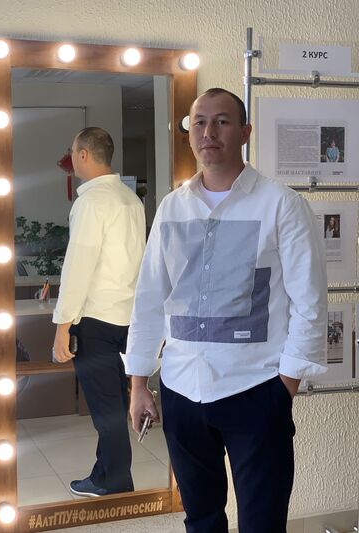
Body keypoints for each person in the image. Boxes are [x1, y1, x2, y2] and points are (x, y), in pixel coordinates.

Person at [125, 88, 327, 533]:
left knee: (262, 523)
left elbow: (310, 304)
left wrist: (285, 387)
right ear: (189, 133)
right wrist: (139, 383)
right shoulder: (172, 207)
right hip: (181, 389)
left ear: (245, 132)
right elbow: (150, 298)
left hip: (256, 388)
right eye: (199, 122)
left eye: (222, 121)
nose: (208, 132)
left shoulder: (281, 204)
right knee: (201, 520)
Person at [52, 127, 145, 497]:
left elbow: (79, 266)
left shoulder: (91, 202)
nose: (71, 158)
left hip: (95, 320)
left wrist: (62, 325)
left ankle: (116, 481)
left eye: (72, 151)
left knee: (107, 408)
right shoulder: (130, 200)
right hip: (126, 318)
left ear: (84, 155)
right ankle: (106, 473)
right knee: (114, 404)